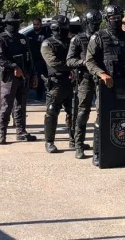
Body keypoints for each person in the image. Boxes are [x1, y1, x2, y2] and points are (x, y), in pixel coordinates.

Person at [85, 5, 125, 167]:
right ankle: (97, 152)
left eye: (118, 17)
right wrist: (102, 74)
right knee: (102, 118)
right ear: (106, 19)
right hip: (106, 86)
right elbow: (90, 61)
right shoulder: (99, 37)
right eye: (112, 18)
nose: (115, 21)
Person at [0, 11, 38, 145]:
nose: (16, 25)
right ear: (7, 23)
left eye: (17, 23)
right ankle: (2, 134)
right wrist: (14, 67)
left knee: (21, 106)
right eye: (13, 23)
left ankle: (21, 132)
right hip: (10, 77)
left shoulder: (22, 38)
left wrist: (33, 74)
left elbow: (29, 57)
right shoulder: (0, 38)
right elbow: (0, 59)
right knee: (7, 105)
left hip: (24, 76)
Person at [67, 9, 102, 159]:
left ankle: (100, 145)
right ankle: (78, 144)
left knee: (102, 112)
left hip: (100, 78)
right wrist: (84, 63)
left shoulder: (102, 37)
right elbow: (69, 60)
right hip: (85, 79)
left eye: (98, 23)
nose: (95, 26)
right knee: (82, 112)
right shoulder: (78, 39)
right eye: (92, 23)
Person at [41, 15, 75, 153]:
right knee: (51, 112)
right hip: (56, 83)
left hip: (72, 82)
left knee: (73, 112)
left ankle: (74, 141)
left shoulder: (72, 41)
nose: (63, 31)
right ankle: (49, 142)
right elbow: (53, 62)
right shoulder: (47, 43)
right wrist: (71, 67)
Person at [26, 18, 48, 103]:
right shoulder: (29, 34)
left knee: (40, 78)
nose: (36, 26)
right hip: (31, 60)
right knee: (29, 77)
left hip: (41, 60)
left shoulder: (45, 34)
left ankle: (39, 96)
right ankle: (27, 96)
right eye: (34, 24)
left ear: (41, 24)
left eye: (37, 24)